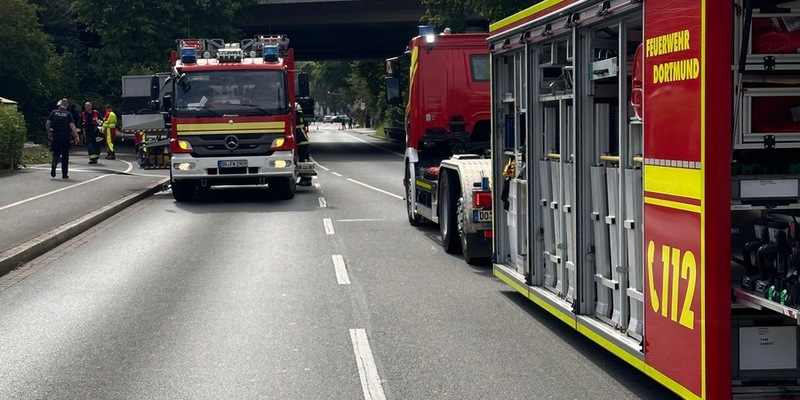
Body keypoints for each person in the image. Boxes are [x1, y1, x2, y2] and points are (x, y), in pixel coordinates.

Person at [46, 99, 81, 179]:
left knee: (56, 153)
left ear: (60, 105)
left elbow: (48, 123)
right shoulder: (68, 114)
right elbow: (72, 126)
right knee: (65, 155)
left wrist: (49, 133)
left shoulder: (54, 113)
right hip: (65, 136)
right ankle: (64, 174)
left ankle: (54, 166)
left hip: (56, 135)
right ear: (67, 105)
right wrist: (76, 136)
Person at [295, 103, 312, 186]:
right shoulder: (301, 117)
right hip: (303, 141)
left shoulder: (296, 118)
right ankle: (304, 179)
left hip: (302, 141)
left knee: (304, 160)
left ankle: (307, 179)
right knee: (304, 160)